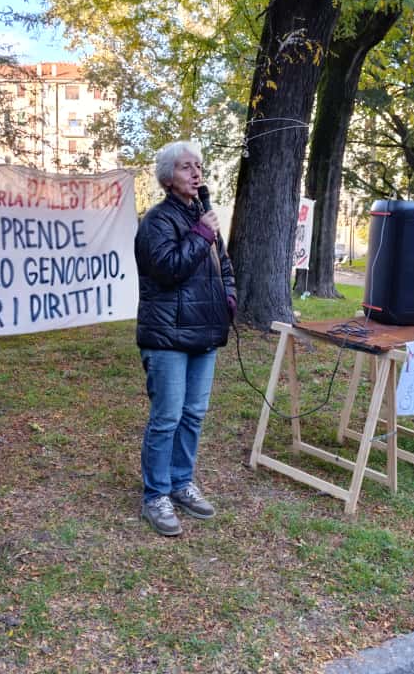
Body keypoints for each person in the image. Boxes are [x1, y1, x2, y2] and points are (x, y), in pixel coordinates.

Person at [134, 140, 237, 537]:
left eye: (198, 166)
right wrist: (201, 234)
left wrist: (229, 297)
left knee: (193, 415)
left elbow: (223, 265)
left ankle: (181, 482)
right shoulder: (157, 221)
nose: (196, 173)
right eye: (185, 167)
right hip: (167, 337)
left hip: (205, 331)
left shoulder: (203, 218)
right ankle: (155, 495)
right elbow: (167, 269)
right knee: (167, 418)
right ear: (167, 178)